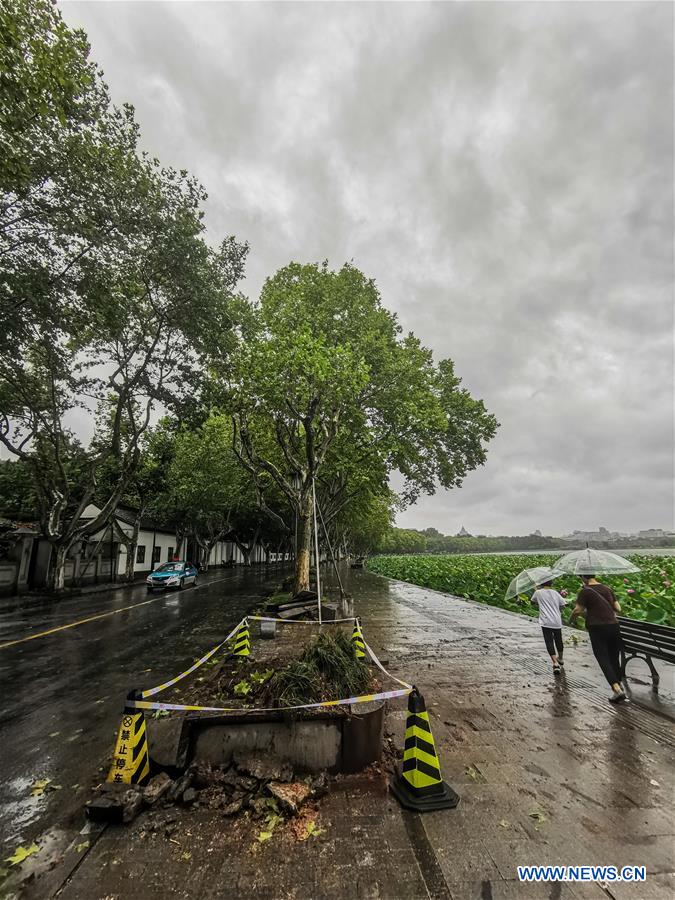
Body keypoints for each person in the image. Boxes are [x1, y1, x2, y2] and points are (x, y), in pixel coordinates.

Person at [570, 574, 625, 703]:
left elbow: (577, 610)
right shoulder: (607, 588)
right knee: (613, 658)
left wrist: (572, 619)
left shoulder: (585, 591)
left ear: (583, 577)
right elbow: (618, 608)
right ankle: (619, 684)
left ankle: (617, 689)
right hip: (613, 626)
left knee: (602, 657)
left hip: (597, 627)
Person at [531, 580, 567, 674]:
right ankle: (561, 658)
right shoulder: (555, 593)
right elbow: (563, 605)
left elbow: (533, 602)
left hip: (545, 621)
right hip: (557, 621)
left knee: (549, 641)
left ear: (541, 583)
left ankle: (555, 663)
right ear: (551, 584)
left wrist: (536, 590)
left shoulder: (538, 592)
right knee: (558, 640)